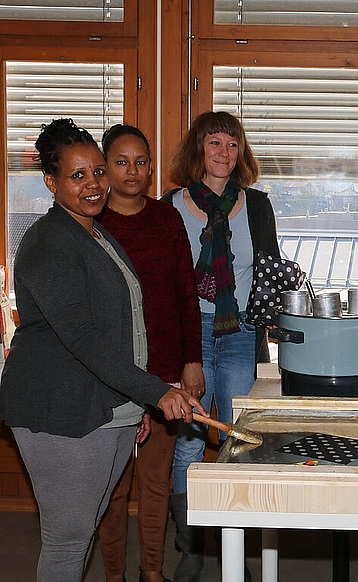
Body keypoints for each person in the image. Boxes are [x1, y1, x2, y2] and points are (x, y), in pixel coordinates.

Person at [0, 118, 207, 582]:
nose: (93, 184)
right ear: (50, 182)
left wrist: (131, 403)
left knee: (85, 526)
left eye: (96, 171)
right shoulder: (50, 242)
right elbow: (84, 339)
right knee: (69, 538)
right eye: (77, 176)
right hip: (59, 409)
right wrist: (153, 391)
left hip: (103, 404)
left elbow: (124, 328)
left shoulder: (93, 231)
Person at [166, 110, 279, 582]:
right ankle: (191, 548)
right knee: (190, 444)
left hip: (240, 335)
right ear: (198, 150)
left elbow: (271, 273)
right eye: (214, 143)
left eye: (232, 144)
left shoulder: (256, 204)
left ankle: (242, 545)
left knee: (239, 441)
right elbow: (166, 283)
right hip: (190, 337)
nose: (223, 153)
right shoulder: (170, 206)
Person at [96, 124, 204, 582]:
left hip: (166, 374)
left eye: (141, 162)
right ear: (105, 167)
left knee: (156, 482)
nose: (133, 171)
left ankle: (153, 573)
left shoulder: (167, 218)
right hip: (111, 376)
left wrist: (192, 360)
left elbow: (186, 292)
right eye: (122, 162)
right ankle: (115, 575)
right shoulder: (90, 222)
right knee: (114, 488)